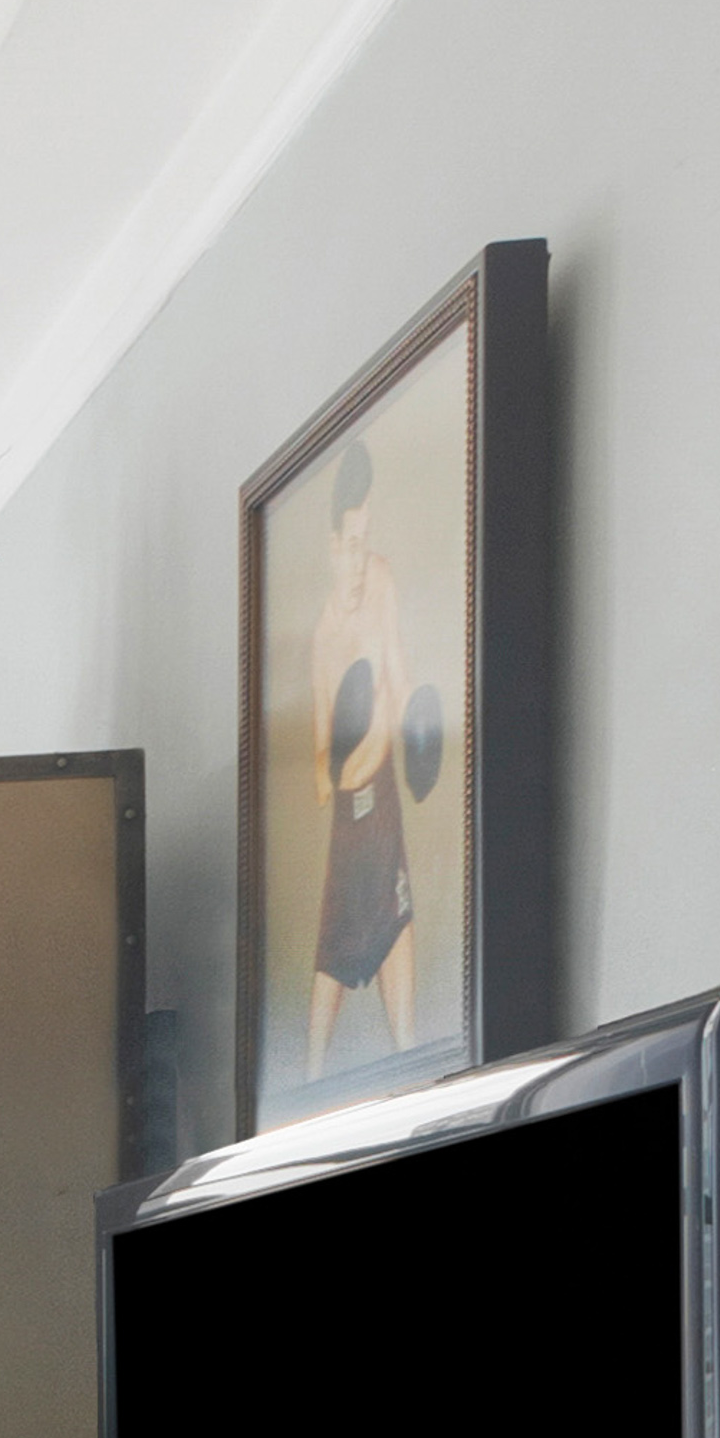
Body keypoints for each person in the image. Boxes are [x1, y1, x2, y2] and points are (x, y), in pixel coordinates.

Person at [296, 444, 418, 1077]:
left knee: (397, 913)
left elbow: (398, 679)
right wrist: (336, 768)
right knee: (339, 936)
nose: (361, 560)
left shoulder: (384, 580)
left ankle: (410, 1055)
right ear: (333, 545)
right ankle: (312, 1071)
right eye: (352, 544)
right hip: (352, 805)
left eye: (367, 541)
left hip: (386, 787)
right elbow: (321, 764)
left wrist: (381, 736)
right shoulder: (322, 638)